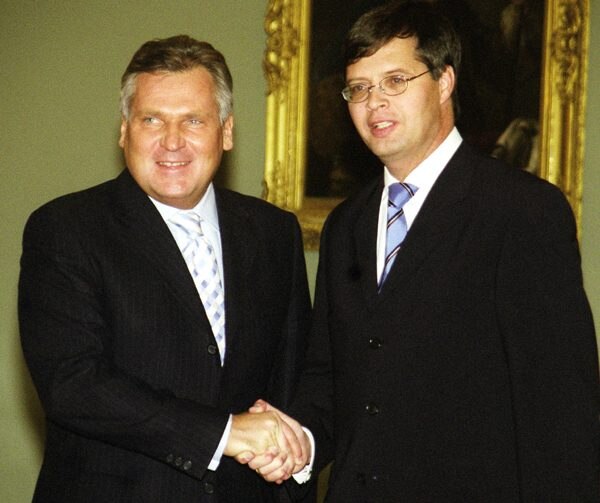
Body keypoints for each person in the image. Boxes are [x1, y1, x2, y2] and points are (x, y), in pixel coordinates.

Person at [251, 1, 600, 500]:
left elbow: (560, 414)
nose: (375, 103)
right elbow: (333, 379)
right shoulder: (346, 225)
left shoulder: (521, 212)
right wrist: (299, 440)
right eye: (359, 88)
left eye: (395, 81)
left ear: (444, 81)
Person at [18, 35, 311, 502]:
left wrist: (295, 449)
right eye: (151, 119)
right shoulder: (65, 229)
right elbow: (73, 384)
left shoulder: (274, 233)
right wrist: (224, 434)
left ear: (227, 132)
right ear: (124, 130)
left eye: (193, 120)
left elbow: (295, 378)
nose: (172, 141)